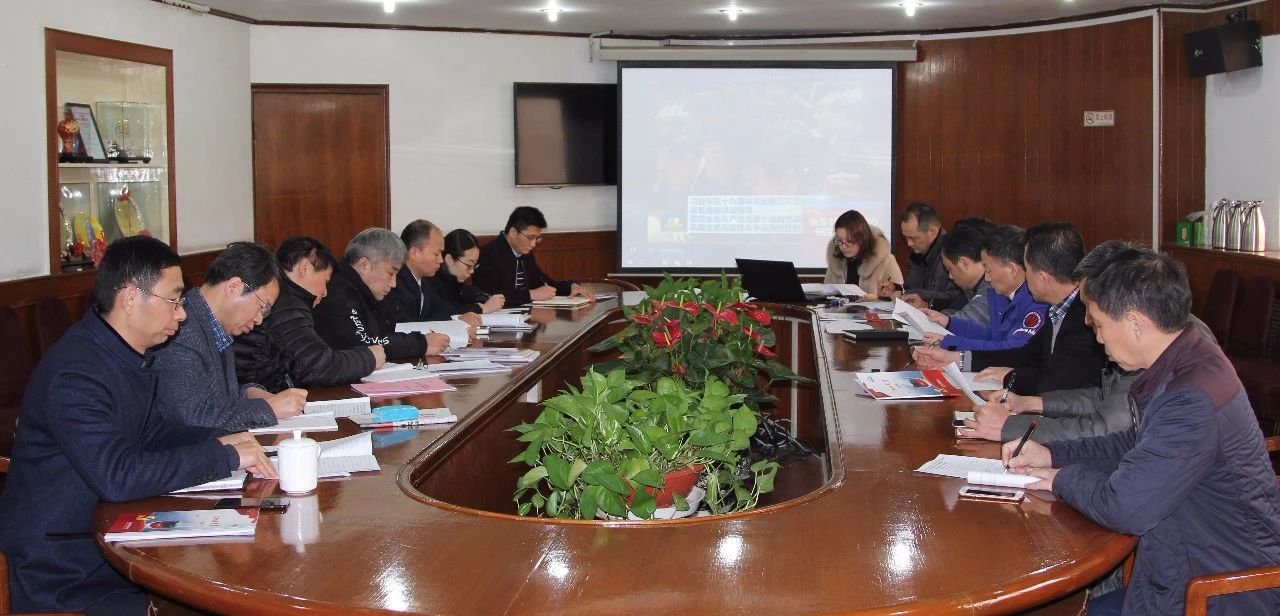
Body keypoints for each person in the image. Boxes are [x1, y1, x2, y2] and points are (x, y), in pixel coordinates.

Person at [0, 236, 276, 615]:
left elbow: (154, 431)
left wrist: (228, 440)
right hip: (66, 571)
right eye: (174, 301)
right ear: (131, 299)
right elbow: (118, 476)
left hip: (110, 540)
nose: (182, 315)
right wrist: (223, 456)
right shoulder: (77, 373)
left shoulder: (123, 354)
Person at [1004, 248, 1280, 615]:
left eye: (1099, 324)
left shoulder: (1191, 397)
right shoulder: (1188, 361)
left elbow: (1126, 506)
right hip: (1178, 568)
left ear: (1135, 322)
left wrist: (1058, 479)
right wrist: (1051, 453)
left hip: (1216, 593)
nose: (1097, 337)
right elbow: (1137, 445)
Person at [152, 242, 307, 432]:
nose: (259, 319)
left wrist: (250, 393)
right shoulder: (181, 330)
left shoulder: (212, 324)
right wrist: (269, 408)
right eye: (262, 307)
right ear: (234, 286)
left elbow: (218, 397)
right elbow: (194, 417)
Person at [234, 237, 386, 392]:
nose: (325, 292)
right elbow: (319, 368)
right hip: (266, 396)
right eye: (325, 280)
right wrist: (370, 358)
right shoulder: (286, 306)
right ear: (305, 268)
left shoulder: (285, 299)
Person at [314, 227, 449, 360]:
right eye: (390, 273)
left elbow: (385, 332)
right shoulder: (339, 294)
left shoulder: (370, 292)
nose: (394, 283)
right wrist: (421, 344)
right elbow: (364, 342)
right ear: (364, 265)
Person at [918, 225, 1046, 354]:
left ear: (1012, 269)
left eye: (989, 270)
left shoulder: (1037, 301)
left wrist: (950, 344)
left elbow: (1010, 351)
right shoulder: (1001, 294)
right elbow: (992, 335)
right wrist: (949, 323)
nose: (987, 278)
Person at [473, 206, 595, 306]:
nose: (533, 244)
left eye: (537, 238)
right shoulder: (488, 253)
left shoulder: (524, 252)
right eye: (530, 237)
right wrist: (531, 294)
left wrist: (571, 287)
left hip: (527, 315)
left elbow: (543, 283)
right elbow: (487, 295)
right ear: (513, 232)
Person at [877, 202, 959, 308]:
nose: (909, 244)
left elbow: (956, 299)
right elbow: (911, 287)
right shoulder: (919, 253)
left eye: (913, 238)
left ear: (933, 232)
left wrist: (926, 304)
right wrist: (895, 289)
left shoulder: (953, 253)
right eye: (906, 237)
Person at [429, 229, 506, 316]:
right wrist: (482, 308)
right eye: (469, 265)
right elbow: (444, 310)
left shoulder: (456, 281)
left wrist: (486, 298)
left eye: (474, 265)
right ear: (449, 260)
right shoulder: (431, 281)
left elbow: (470, 293)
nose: (472, 271)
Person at [822, 209, 902, 292]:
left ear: (862, 238)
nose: (843, 246)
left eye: (849, 241)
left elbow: (899, 294)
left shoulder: (886, 260)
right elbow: (826, 292)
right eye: (839, 240)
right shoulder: (836, 261)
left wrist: (879, 297)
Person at [935, 223, 991, 323]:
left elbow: (965, 323)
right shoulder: (974, 286)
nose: (950, 276)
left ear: (964, 262)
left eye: (949, 269)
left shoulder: (993, 286)